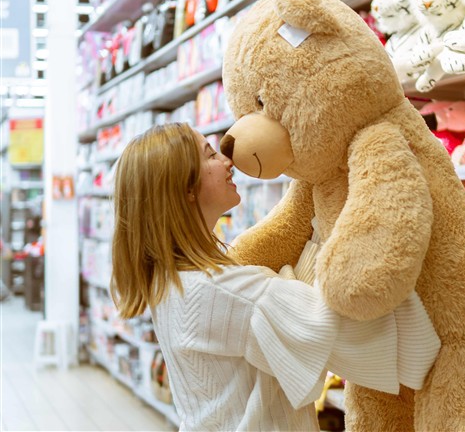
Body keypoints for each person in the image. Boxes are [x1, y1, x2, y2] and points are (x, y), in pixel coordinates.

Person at [110, 122, 440, 432]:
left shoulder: (171, 280)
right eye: (210, 155)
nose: (226, 161)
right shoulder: (219, 290)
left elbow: (279, 304)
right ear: (185, 189)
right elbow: (334, 322)